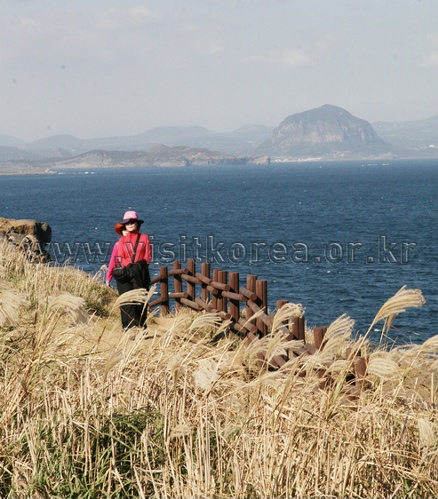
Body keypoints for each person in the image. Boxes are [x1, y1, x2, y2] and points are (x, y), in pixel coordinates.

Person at [110, 210, 152, 330]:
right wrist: (130, 268)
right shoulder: (122, 240)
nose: (129, 224)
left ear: (137, 224)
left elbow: (147, 256)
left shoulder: (144, 238)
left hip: (139, 271)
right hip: (127, 272)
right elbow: (120, 257)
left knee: (140, 300)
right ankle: (128, 326)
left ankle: (140, 326)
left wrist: (138, 268)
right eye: (127, 223)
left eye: (132, 222)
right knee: (126, 300)